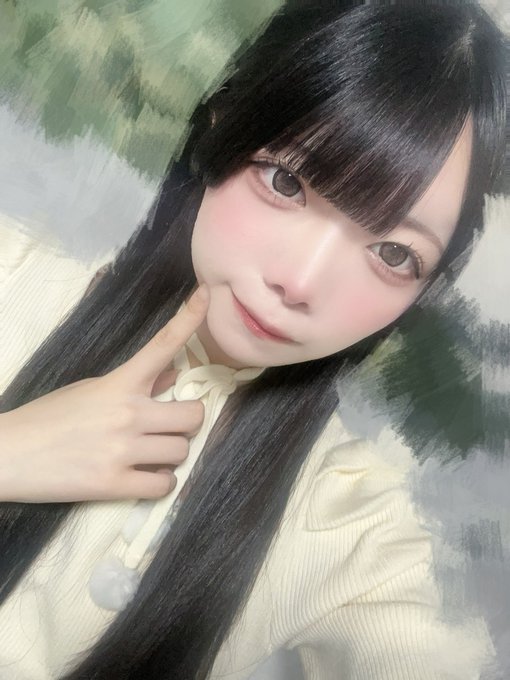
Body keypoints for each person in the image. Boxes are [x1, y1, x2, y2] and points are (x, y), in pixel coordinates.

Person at [0, 1, 506, 678]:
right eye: (287, 182)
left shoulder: (349, 523)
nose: (300, 282)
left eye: (393, 254)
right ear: (222, 130)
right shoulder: (12, 278)